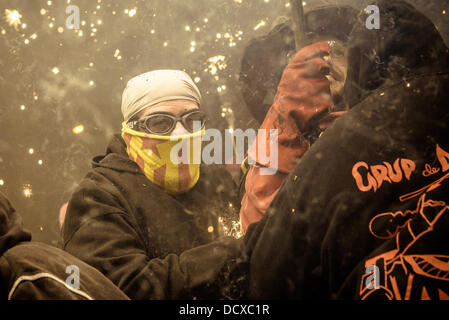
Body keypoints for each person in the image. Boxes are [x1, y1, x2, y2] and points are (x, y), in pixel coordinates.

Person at [243, 0, 449, 299]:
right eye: (312, 61)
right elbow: (263, 233)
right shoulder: (291, 144)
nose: (327, 69)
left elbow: (269, 275)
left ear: (361, 61)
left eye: (340, 51)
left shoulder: (353, 138)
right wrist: (287, 118)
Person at [61, 70, 241, 299]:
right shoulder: (98, 196)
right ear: (131, 130)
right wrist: (239, 253)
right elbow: (126, 289)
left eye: (192, 120)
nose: (180, 133)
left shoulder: (215, 180)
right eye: (160, 122)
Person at [238, 6, 356, 234]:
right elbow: (260, 237)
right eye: (305, 58)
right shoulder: (264, 153)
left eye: (336, 51)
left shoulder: (384, 123)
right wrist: (287, 116)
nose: (324, 65)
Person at [0, 191, 129, 300]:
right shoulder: (39, 259)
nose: (65, 227)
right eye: (63, 222)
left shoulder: (23, 273)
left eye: (68, 221)